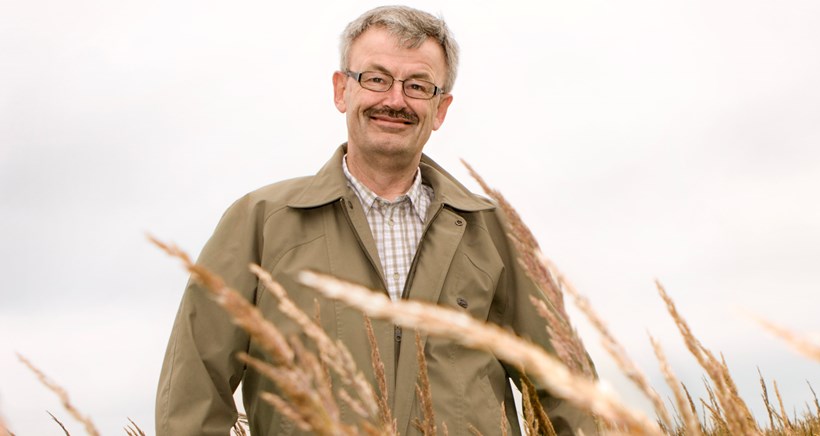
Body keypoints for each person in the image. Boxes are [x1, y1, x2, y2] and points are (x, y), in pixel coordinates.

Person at [155, 6, 595, 435]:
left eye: (419, 86)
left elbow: (569, 391)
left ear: (440, 109)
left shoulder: (494, 231)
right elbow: (191, 397)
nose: (395, 100)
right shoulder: (260, 222)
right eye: (376, 79)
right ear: (341, 90)